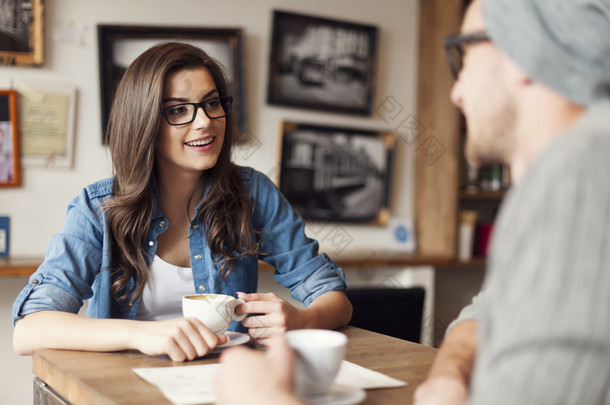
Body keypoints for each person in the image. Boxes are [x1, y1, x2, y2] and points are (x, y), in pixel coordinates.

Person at [217, 0, 610, 403]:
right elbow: (488, 311)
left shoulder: (581, 171)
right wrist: (449, 374)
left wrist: (263, 397)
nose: (456, 93)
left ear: (528, 51)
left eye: (465, 56)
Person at [12, 42, 352, 362]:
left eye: (212, 103)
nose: (205, 122)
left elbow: (335, 299)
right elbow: (28, 330)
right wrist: (143, 335)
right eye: (178, 110)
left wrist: (301, 320)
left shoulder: (253, 193)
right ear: (144, 123)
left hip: (224, 383)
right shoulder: (99, 207)